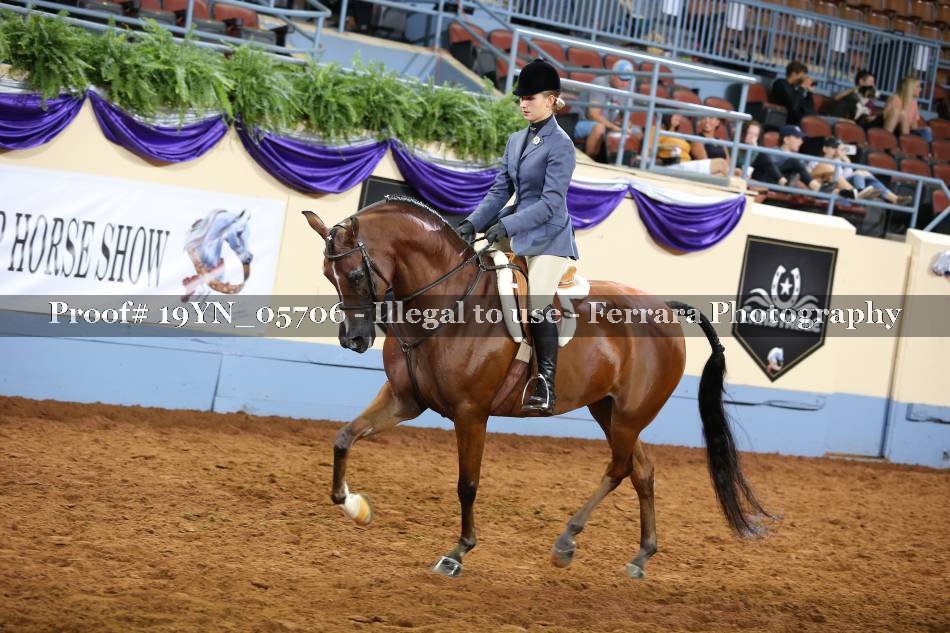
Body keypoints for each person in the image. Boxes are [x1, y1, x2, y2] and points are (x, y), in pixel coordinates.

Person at [456, 58, 578, 415]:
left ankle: (546, 383)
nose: (524, 103)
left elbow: (551, 204)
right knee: (469, 268)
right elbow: (499, 192)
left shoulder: (561, 145)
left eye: (531, 98)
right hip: (517, 229)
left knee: (537, 301)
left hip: (549, 238)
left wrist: (507, 227)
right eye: (521, 98)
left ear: (551, 100)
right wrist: (472, 224)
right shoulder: (516, 140)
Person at [573, 59, 636, 161]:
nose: (625, 84)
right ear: (613, 75)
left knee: (636, 131)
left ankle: (631, 163)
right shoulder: (600, 83)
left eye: (628, 80)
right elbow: (593, 115)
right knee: (599, 128)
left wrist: (626, 124)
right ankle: (589, 163)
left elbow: (625, 116)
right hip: (578, 122)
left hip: (605, 124)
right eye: (622, 79)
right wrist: (614, 127)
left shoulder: (627, 89)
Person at [649, 113, 729, 176]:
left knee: (725, 172)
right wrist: (664, 147)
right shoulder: (657, 129)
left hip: (686, 164)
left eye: (679, 115)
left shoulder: (678, 135)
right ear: (667, 115)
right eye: (675, 114)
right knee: (721, 164)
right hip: (673, 164)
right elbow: (648, 150)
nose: (679, 117)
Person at [805, 137, 875, 200]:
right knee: (828, 168)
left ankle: (880, 194)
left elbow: (843, 179)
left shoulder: (839, 162)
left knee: (863, 173)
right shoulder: (815, 161)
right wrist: (837, 160)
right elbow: (809, 178)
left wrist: (847, 164)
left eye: (837, 148)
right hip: (821, 187)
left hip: (836, 188)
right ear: (824, 149)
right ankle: (859, 195)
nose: (836, 151)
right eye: (833, 147)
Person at [883, 76, 932, 143]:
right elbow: (885, 117)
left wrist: (922, 128)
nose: (920, 89)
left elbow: (914, 126)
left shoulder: (914, 102)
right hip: (894, 130)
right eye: (918, 86)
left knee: (927, 130)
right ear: (910, 88)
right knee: (900, 113)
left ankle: (927, 149)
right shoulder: (895, 98)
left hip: (906, 130)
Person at [769, 61, 816, 126]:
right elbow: (794, 106)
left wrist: (809, 93)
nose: (801, 80)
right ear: (793, 74)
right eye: (801, 77)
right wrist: (802, 87)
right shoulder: (780, 83)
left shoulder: (795, 90)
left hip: (800, 121)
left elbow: (810, 109)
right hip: (785, 120)